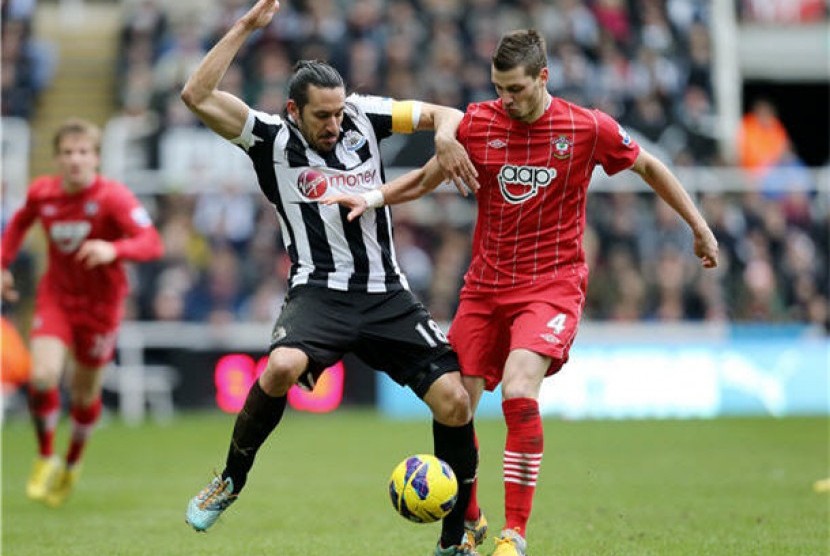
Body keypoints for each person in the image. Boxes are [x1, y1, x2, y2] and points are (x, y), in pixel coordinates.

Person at [324, 29, 720, 556]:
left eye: (514, 89)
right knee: (454, 403)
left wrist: (698, 226)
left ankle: (515, 532)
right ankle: (469, 517)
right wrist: (372, 196)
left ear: (543, 77)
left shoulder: (586, 127)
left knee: (517, 387)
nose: (504, 99)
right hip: (485, 288)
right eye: (498, 88)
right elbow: (425, 178)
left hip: (551, 285)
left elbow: (649, 164)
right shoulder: (480, 122)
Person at [179, 2, 482, 554]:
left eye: (339, 112)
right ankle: (230, 481)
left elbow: (449, 113)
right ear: (295, 109)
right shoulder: (268, 138)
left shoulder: (366, 115)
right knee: (281, 366)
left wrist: (444, 134)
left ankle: (453, 537)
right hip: (319, 292)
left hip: (387, 292)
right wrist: (248, 26)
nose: (335, 123)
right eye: (323, 115)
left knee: (455, 402)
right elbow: (195, 96)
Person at [1, 117, 164, 507]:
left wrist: (114, 250)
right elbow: (19, 223)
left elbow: (151, 242)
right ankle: (45, 457)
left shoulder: (114, 197)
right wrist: (3, 263)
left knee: (83, 393)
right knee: (42, 376)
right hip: (57, 298)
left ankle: (72, 464)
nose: (76, 160)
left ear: (96, 158)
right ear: (57, 158)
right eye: (68, 153)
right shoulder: (43, 193)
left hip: (101, 307)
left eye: (84, 152)